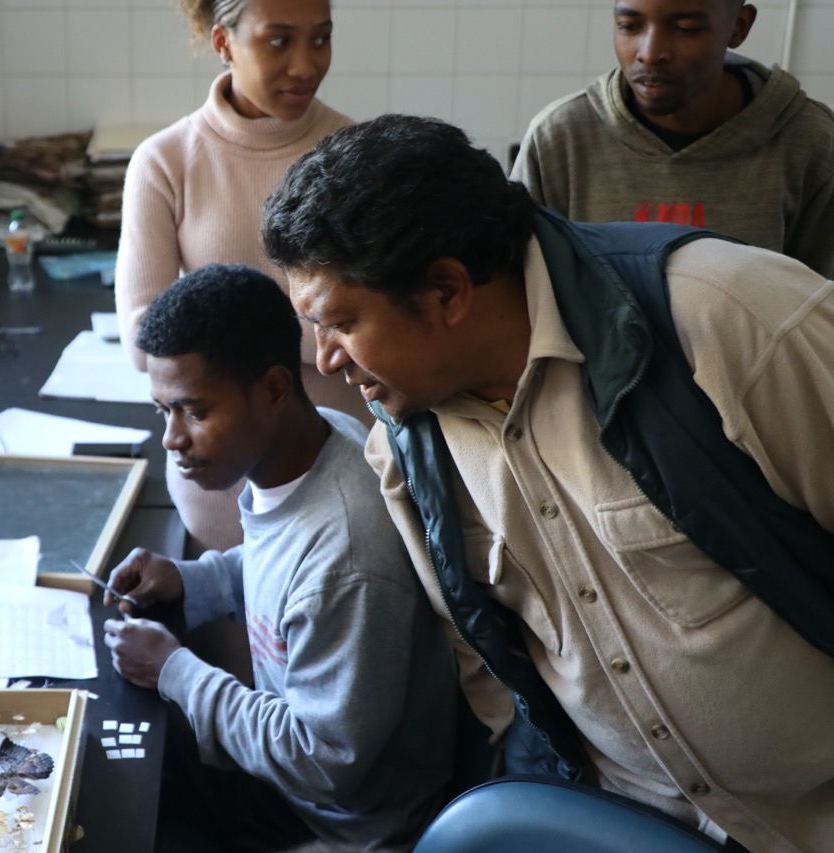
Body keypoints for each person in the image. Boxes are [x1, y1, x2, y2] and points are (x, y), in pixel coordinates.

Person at [260, 113, 834, 851]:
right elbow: (490, 665)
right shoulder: (408, 451)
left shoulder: (726, 318)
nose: (325, 358)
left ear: (447, 291)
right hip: (620, 825)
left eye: (338, 322)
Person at [102, 264, 456, 851]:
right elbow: (283, 564)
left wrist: (174, 671)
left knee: (121, 816)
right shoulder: (322, 442)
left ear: (272, 390)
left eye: (193, 411)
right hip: (291, 789)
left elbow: (323, 762)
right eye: (161, 411)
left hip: (332, 827)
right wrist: (196, 582)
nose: (171, 438)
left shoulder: (346, 560)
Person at [115, 0, 364, 556]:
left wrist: (241, 337)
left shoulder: (357, 156)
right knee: (225, 622)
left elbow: (380, 325)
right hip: (219, 492)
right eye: (279, 41)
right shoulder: (166, 161)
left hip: (345, 480)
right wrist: (321, 331)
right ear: (224, 42)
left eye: (320, 39)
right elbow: (142, 336)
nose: (305, 64)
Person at [509, 0, 834, 279]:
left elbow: (823, 315)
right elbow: (519, 293)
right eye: (629, 25)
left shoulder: (811, 142)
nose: (650, 53)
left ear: (739, 26)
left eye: (686, 28)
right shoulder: (559, 139)